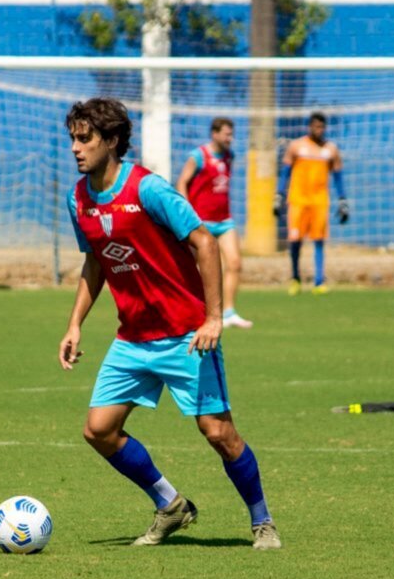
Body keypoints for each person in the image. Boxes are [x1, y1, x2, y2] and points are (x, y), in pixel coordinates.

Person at [58, 97, 281, 551]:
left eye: (86, 139)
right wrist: (75, 324)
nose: (77, 149)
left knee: (218, 432)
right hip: (133, 338)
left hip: (186, 334)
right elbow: (95, 262)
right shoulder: (78, 199)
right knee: (98, 430)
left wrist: (213, 317)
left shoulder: (148, 190)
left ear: (113, 140)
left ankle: (262, 521)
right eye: (73, 140)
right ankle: (171, 504)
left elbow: (204, 242)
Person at [175, 117, 252, 329]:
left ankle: (229, 312)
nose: (230, 138)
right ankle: (187, 310)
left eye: (231, 134)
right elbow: (182, 181)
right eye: (227, 134)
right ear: (215, 133)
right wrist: (186, 211)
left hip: (224, 221)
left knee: (235, 263)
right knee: (191, 268)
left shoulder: (230, 156)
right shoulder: (198, 156)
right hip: (201, 223)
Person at [274, 111, 349, 295]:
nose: (319, 130)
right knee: (295, 240)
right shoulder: (297, 146)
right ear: (310, 127)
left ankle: (318, 281)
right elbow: (285, 172)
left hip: (319, 200)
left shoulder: (330, 149)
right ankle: (295, 278)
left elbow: (338, 177)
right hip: (298, 199)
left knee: (319, 240)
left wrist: (342, 199)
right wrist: (279, 194)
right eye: (316, 126)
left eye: (322, 127)